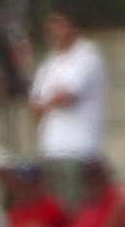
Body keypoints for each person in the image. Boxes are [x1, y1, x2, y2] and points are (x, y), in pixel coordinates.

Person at [15, 12, 109, 202]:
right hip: (51, 147)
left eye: (60, 24)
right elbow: (36, 105)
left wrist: (49, 101)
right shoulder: (51, 62)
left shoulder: (87, 56)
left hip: (78, 149)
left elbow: (68, 95)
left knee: (75, 203)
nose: (55, 30)